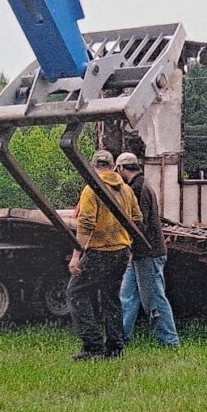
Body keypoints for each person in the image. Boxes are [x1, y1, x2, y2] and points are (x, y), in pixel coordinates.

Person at [67, 149, 142, 361]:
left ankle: (92, 347)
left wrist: (76, 256)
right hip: (121, 251)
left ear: (93, 167)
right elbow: (137, 218)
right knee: (111, 299)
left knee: (76, 292)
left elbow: (86, 224)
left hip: (99, 251)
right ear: (112, 167)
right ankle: (115, 348)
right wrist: (126, 242)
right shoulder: (126, 190)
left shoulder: (92, 189)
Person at [115, 152, 181, 347]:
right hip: (141, 253)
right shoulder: (140, 185)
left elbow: (139, 225)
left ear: (121, 169)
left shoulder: (138, 189)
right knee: (127, 298)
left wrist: (130, 248)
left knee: (154, 299)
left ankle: (170, 341)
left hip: (148, 254)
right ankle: (120, 339)